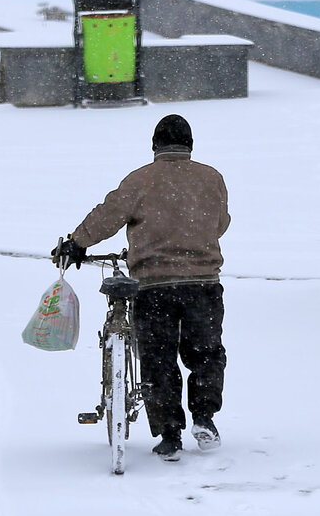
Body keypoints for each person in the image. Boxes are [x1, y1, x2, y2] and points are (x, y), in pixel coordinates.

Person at [52, 114, 230, 462]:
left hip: (154, 285)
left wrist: (76, 243)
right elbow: (220, 223)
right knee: (206, 352)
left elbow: (107, 215)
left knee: (158, 358)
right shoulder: (212, 179)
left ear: (154, 146)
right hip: (203, 283)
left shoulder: (140, 180)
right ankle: (205, 417)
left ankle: (169, 434)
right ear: (190, 145)